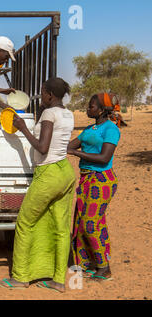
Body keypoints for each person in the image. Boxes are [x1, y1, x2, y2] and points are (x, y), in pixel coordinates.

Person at [0, 77, 75, 293]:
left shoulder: (49, 113)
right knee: (61, 228)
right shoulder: (68, 114)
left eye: (42, 92)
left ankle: (20, 277)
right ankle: (58, 280)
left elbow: (42, 147)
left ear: (50, 94)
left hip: (48, 173)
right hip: (66, 172)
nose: (40, 96)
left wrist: (22, 127)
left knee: (24, 222)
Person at [67, 93, 121, 281]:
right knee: (82, 222)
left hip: (102, 180)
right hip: (86, 179)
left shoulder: (111, 129)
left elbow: (104, 157)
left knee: (91, 223)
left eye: (91, 106)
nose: (87, 109)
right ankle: (87, 263)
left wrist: (75, 153)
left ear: (101, 109)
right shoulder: (89, 129)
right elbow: (69, 145)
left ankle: (104, 267)